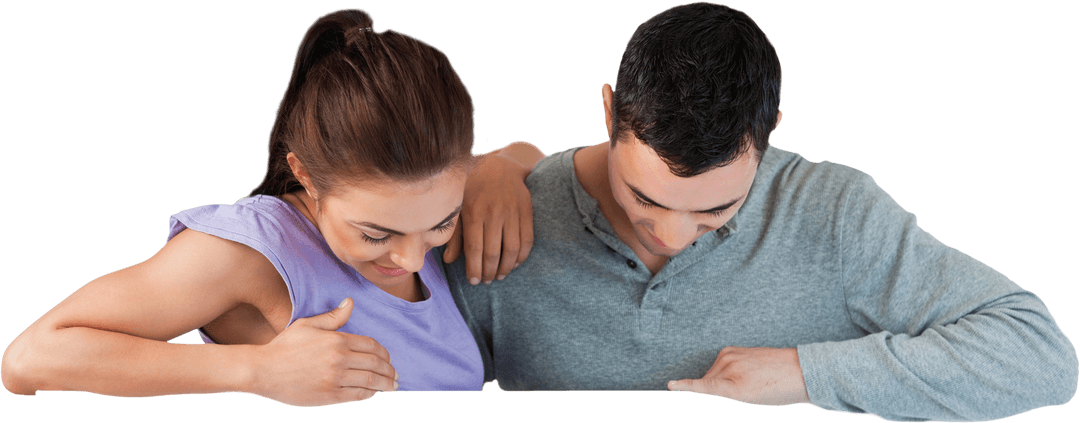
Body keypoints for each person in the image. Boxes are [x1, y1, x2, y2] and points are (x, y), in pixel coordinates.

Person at [445, 2, 1078, 421]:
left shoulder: (835, 214)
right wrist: (485, 168)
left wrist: (809, 373)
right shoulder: (504, 212)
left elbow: (1039, 359)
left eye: (715, 208)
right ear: (609, 112)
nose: (670, 235)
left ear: (768, 131)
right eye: (645, 198)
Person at [0, 8, 541, 406]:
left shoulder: (426, 191)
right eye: (376, 234)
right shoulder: (251, 251)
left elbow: (523, 152)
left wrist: (508, 167)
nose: (412, 258)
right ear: (305, 173)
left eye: (442, 224)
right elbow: (29, 360)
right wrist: (255, 368)